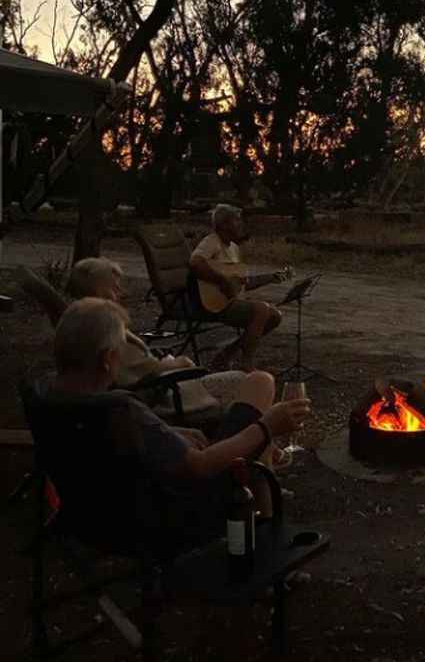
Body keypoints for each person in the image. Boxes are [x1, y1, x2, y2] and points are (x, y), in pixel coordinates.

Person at [44, 298, 310, 545]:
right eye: (119, 353)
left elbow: (137, 441)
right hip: (175, 516)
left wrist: (168, 430)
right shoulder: (120, 409)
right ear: (106, 361)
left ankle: (265, 538)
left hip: (92, 516)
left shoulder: (49, 397)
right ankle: (265, 549)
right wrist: (267, 427)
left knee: (258, 387)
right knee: (259, 399)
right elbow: (201, 467)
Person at [68, 257, 292, 469]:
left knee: (251, 385)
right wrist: (178, 363)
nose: (121, 292)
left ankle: (266, 454)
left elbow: (135, 367)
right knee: (253, 382)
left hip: (164, 388)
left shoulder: (80, 322)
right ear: (96, 290)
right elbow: (139, 375)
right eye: (114, 287)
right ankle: (259, 464)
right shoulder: (104, 331)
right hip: (169, 393)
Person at [190, 204, 282, 371]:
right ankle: (246, 365)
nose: (240, 224)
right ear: (224, 224)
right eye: (236, 220)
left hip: (229, 300)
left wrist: (273, 278)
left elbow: (240, 284)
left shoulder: (234, 248)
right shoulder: (212, 242)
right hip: (213, 305)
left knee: (275, 316)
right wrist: (222, 280)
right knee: (261, 310)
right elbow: (195, 262)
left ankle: (226, 354)